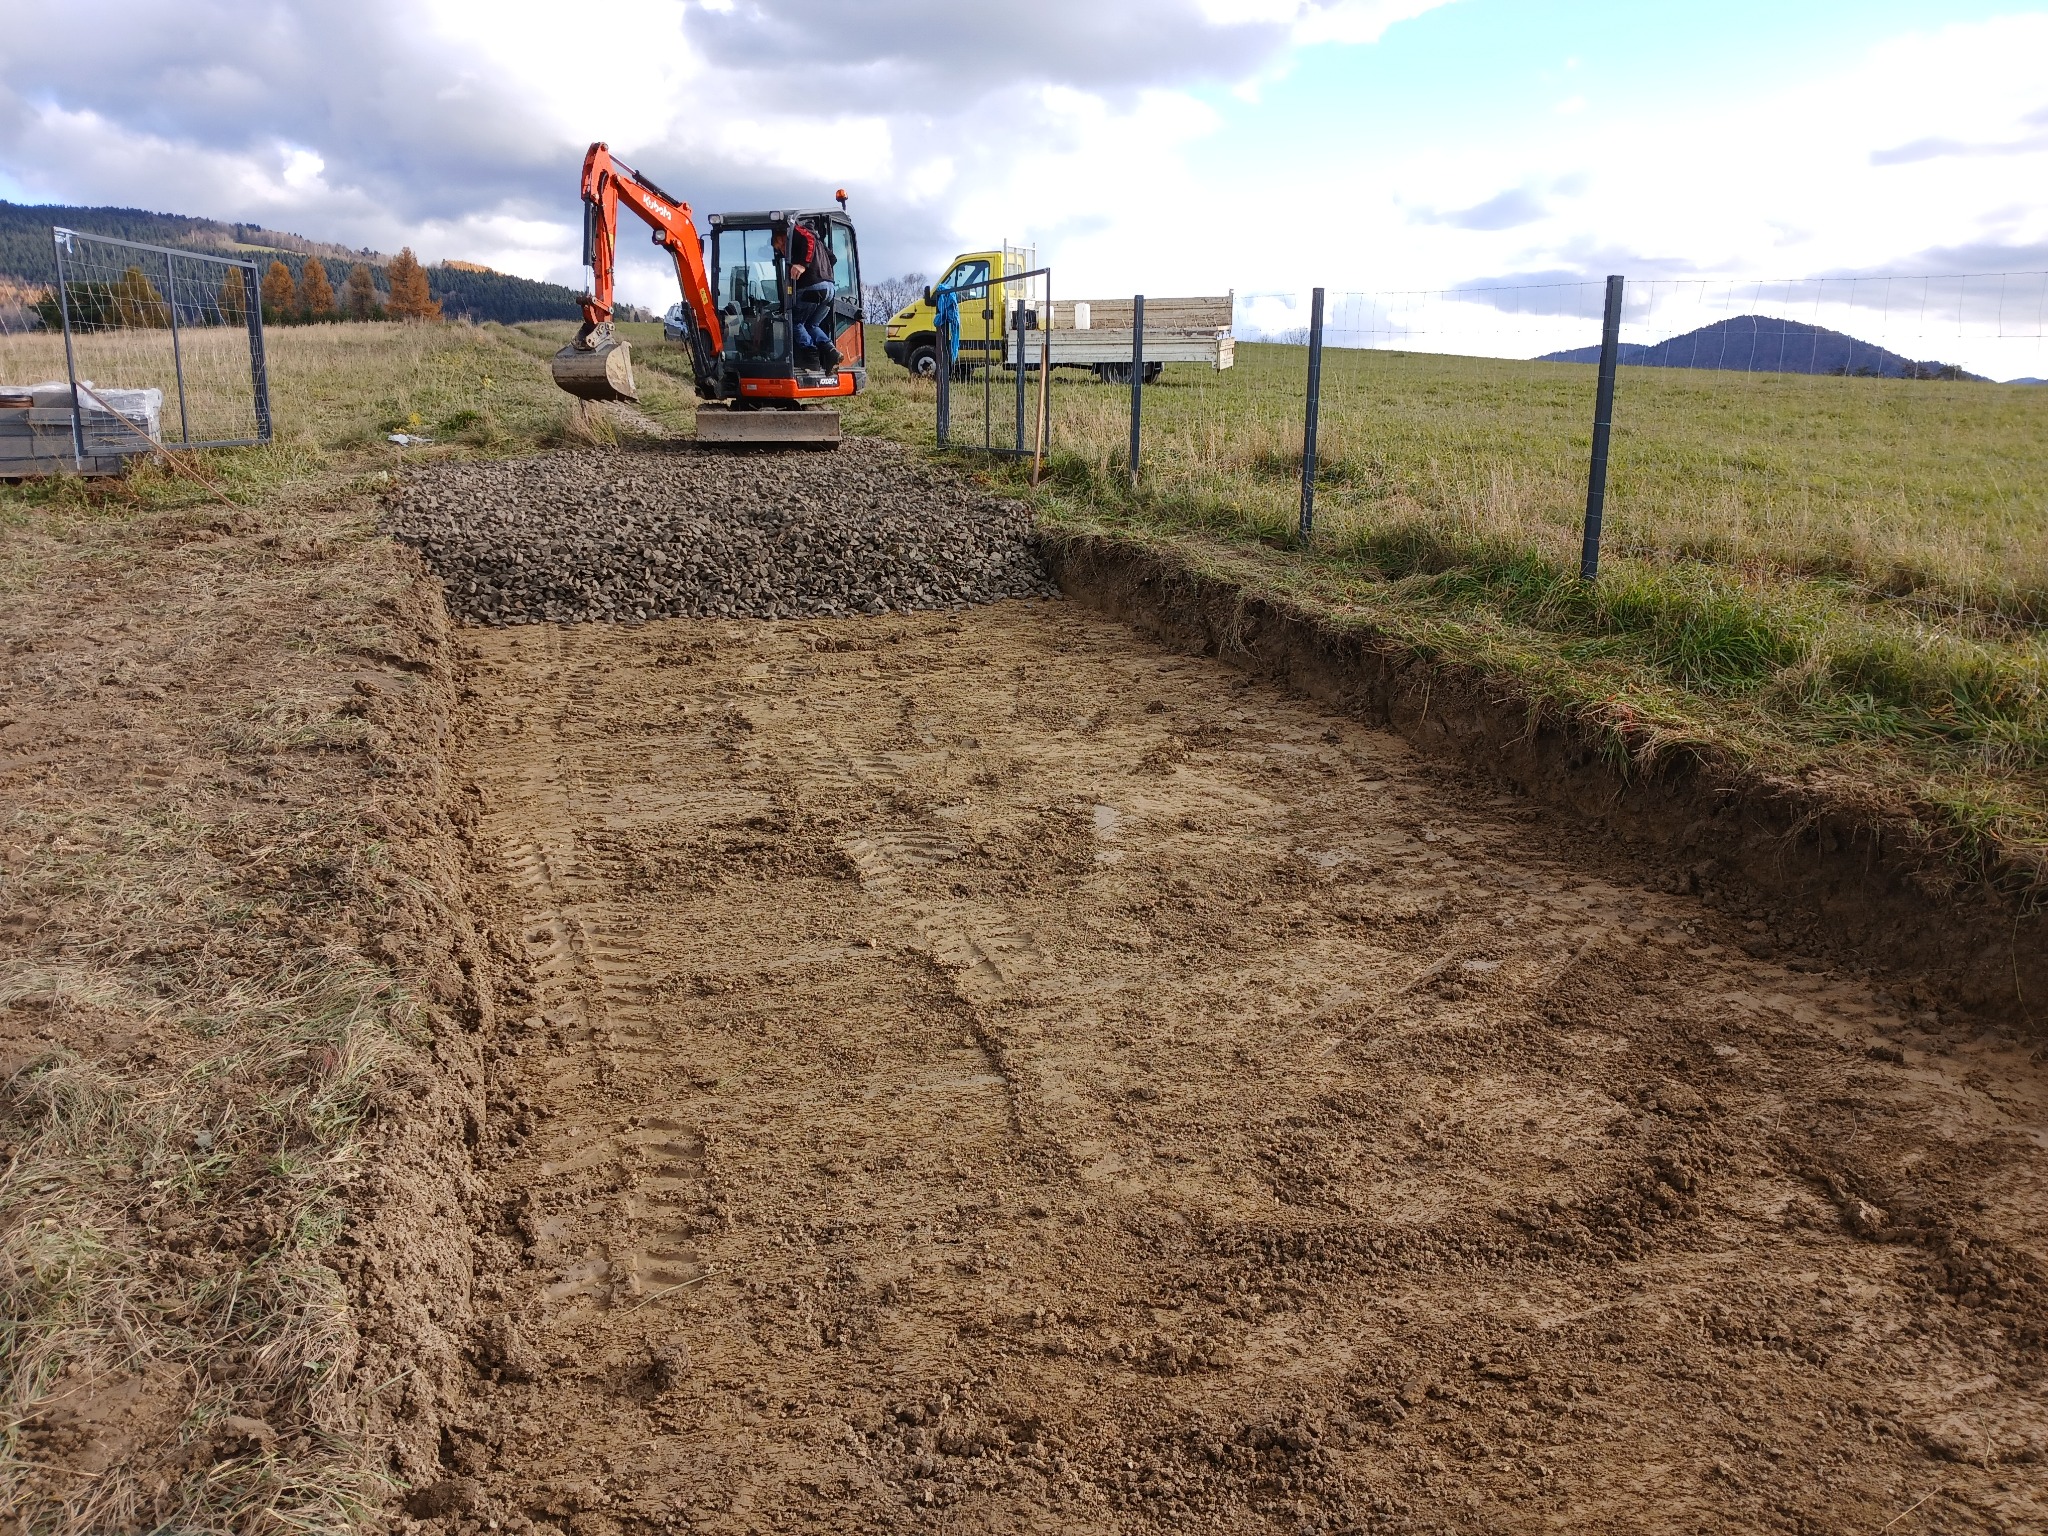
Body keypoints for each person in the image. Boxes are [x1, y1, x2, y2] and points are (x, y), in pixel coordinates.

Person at [775, 220, 839, 373]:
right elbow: (833, 258)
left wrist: (803, 265)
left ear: (783, 237)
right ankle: (831, 352)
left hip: (812, 287)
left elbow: (808, 239)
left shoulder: (796, 230)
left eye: (782, 246)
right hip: (829, 289)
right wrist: (823, 273)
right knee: (811, 325)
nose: (784, 252)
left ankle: (811, 358)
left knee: (793, 322)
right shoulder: (819, 242)